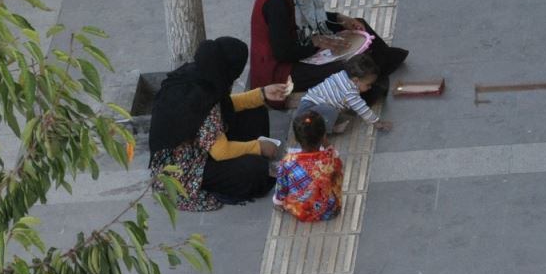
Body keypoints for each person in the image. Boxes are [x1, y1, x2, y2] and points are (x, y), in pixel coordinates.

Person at [249, 0, 408, 108]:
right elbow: (282, 52)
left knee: (358, 26)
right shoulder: (276, 1)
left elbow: (307, 16)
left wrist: (339, 19)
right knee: (344, 69)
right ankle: (366, 92)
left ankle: (380, 67)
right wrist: (315, 43)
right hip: (279, 72)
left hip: (297, 46)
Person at [148, 37, 289, 212]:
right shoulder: (198, 98)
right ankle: (234, 177)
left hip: (202, 145)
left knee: (256, 110)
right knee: (256, 170)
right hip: (185, 167)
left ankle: (253, 157)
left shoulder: (201, 75)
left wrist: (262, 94)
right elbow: (221, 151)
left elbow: (224, 104)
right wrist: (257, 147)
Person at [295, 54, 393, 134]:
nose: (370, 87)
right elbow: (362, 109)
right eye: (368, 84)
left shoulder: (342, 74)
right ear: (356, 80)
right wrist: (377, 122)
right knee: (330, 110)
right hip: (308, 113)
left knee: (332, 109)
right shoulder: (350, 92)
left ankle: (323, 125)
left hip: (306, 105)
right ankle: (328, 130)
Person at [273, 111, 343, 222]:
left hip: (302, 211)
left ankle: (281, 205)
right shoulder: (331, 158)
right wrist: (327, 144)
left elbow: (282, 188)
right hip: (330, 210)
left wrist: (278, 202)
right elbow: (337, 164)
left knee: (285, 191)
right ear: (324, 136)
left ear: (296, 139)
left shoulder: (287, 162)